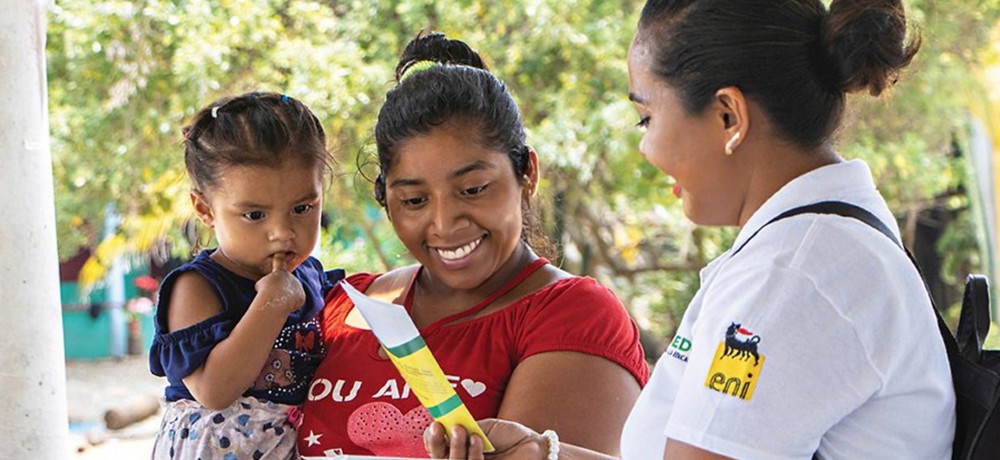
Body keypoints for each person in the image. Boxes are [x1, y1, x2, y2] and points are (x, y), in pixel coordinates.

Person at [426, 0, 957, 459]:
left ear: (729, 116)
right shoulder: (813, 245)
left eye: (647, 118)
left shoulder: (793, 275)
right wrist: (547, 452)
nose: (646, 149)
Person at [296, 32, 649, 458]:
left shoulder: (571, 315)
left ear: (527, 174)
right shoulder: (338, 305)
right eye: (414, 200)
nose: (445, 224)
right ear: (386, 201)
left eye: (474, 189)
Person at [149, 91, 335, 459]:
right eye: (254, 215)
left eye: (302, 207)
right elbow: (215, 391)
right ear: (205, 209)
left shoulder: (311, 276)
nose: (283, 232)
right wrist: (271, 304)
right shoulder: (196, 288)